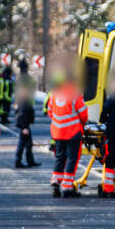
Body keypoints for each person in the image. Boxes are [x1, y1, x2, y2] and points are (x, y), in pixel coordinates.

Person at [47, 69, 87, 197]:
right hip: (72, 132)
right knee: (72, 159)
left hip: (58, 132)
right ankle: (67, 187)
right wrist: (83, 124)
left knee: (60, 157)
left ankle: (56, 181)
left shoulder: (53, 94)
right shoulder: (74, 93)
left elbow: (50, 112)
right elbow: (83, 114)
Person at [14, 84, 40, 168]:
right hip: (24, 126)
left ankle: (30, 161)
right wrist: (24, 127)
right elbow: (22, 115)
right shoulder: (24, 102)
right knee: (22, 144)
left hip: (25, 125)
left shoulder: (23, 101)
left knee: (28, 144)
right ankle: (18, 161)